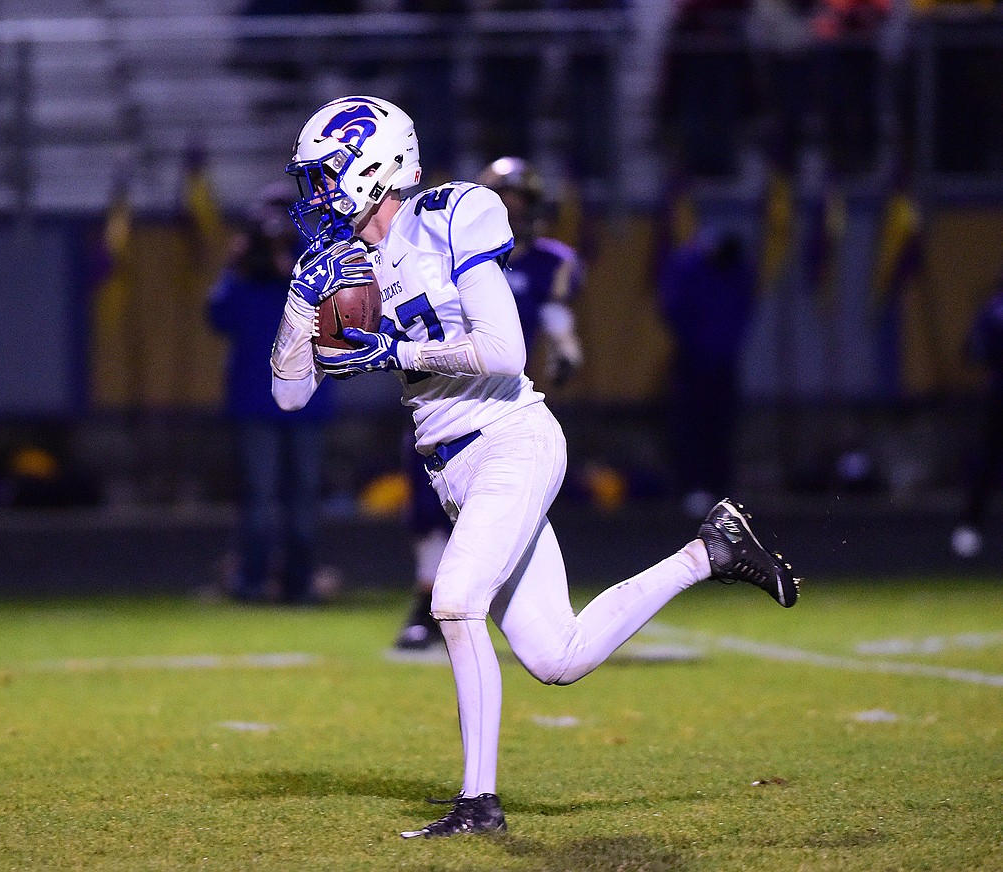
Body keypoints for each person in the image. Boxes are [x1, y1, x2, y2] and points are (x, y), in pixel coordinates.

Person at [272, 95, 799, 838]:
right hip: (452, 469)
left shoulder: (454, 214)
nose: (317, 195)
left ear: (375, 165)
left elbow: (506, 350)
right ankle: (709, 552)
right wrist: (301, 301)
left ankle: (479, 804)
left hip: (512, 438)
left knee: (455, 601)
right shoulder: (337, 262)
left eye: (327, 176)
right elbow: (290, 394)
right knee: (556, 655)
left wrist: (397, 351)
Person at [394, 156, 584, 652]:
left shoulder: (548, 261)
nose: (513, 208)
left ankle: (496, 606)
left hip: (499, 404)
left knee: (500, 508)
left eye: (521, 200)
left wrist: (566, 349)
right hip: (439, 395)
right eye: (506, 198)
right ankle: (428, 599)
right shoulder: (442, 251)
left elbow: (555, 316)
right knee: (428, 505)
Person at [206, 184, 336, 604]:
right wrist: (237, 268)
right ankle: (252, 583)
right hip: (255, 400)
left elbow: (334, 315)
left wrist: (292, 267)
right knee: (259, 503)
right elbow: (219, 317)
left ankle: (299, 586)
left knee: (302, 505)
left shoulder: (313, 258)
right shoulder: (247, 266)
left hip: (304, 401)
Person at [658, 225, 756, 518]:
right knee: (691, 427)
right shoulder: (692, 267)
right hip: (693, 361)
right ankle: (692, 486)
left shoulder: (738, 271)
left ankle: (719, 488)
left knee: (720, 428)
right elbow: (672, 305)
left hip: (722, 363)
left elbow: (741, 312)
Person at [951, 278, 1003, 559]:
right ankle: (969, 526)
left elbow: (973, 350)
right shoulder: (995, 308)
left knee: (988, 460)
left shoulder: (992, 307)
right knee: (987, 460)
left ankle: (969, 527)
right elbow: (973, 349)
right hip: (998, 394)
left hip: (997, 393)